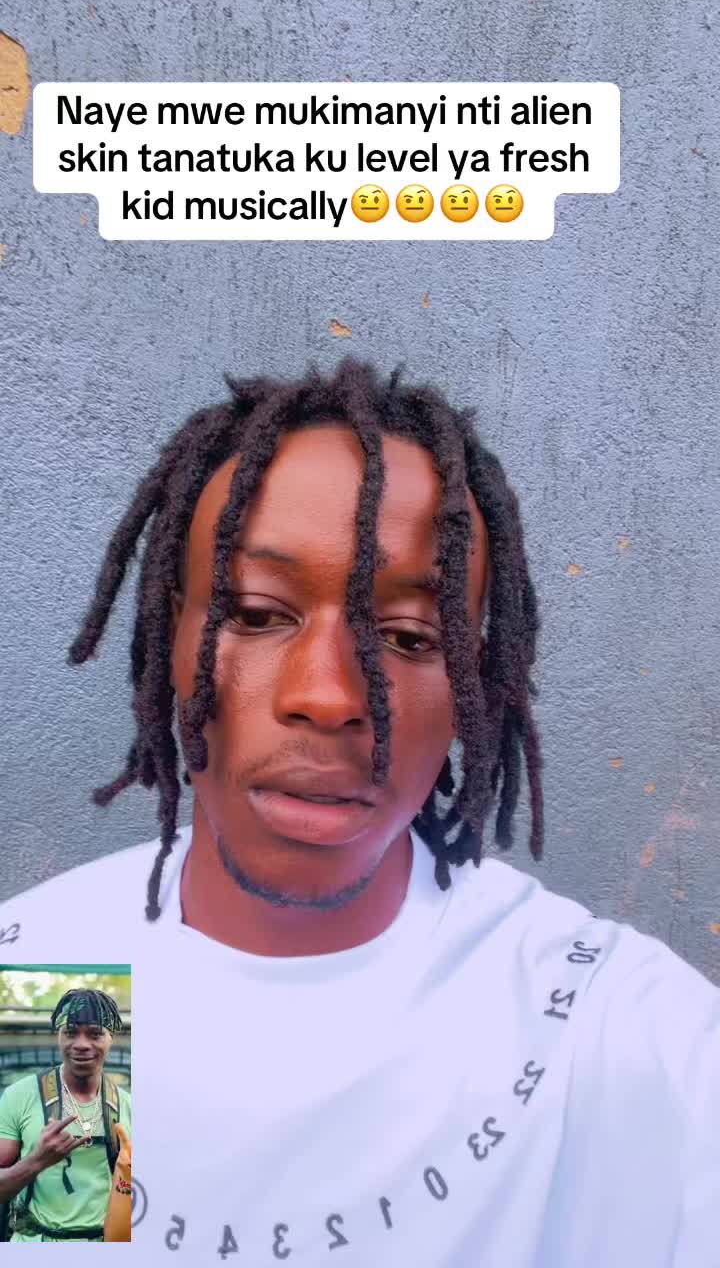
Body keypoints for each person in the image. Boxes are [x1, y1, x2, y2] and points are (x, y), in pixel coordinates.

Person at [0, 357, 717, 1265]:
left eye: (411, 637)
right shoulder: (35, 980)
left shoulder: (610, 1030)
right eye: (257, 613)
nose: (331, 696)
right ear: (173, 637)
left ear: (474, 687)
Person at [0, 988, 131, 1242]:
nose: (81, 1044)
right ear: (59, 1036)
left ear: (111, 1038)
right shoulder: (20, 1096)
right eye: (70, 1032)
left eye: (95, 1033)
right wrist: (36, 1161)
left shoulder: (129, 1106)